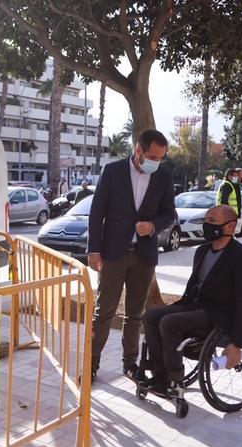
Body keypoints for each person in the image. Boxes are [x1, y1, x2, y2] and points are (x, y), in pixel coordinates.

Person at [140, 205, 242, 395]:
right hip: (194, 305)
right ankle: (160, 375)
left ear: (230, 227)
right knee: (150, 316)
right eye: (205, 220)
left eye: (212, 221)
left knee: (170, 323)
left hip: (219, 315)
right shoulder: (202, 251)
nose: (206, 225)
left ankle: (174, 379)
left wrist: (237, 344)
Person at [87, 129, 177, 381]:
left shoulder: (163, 177)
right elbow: (97, 213)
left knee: (135, 314)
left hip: (144, 256)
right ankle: (90, 364)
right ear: (138, 150)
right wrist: (94, 250)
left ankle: (129, 364)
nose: (156, 163)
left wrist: (153, 226)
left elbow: (170, 214)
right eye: (152, 157)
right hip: (113, 254)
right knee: (103, 312)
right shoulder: (113, 172)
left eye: (161, 158)